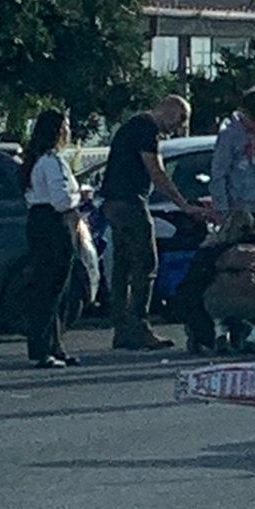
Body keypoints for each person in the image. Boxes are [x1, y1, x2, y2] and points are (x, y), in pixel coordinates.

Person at [102, 94, 201, 351]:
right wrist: (184, 205)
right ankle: (139, 326)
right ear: (168, 109)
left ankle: (122, 328)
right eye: (180, 120)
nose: (178, 127)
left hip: (114, 202)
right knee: (146, 264)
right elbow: (157, 173)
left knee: (123, 266)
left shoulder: (131, 126)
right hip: (130, 202)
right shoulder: (147, 130)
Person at [20, 107, 85, 370]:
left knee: (50, 287)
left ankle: (54, 346)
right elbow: (61, 200)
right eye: (66, 127)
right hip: (54, 224)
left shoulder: (35, 160)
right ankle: (44, 348)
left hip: (38, 221)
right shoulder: (52, 161)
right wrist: (80, 196)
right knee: (52, 288)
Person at [210, 87, 255, 241]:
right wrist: (223, 209)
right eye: (253, 120)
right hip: (238, 211)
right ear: (243, 112)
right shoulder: (229, 135)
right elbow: (219, 174)